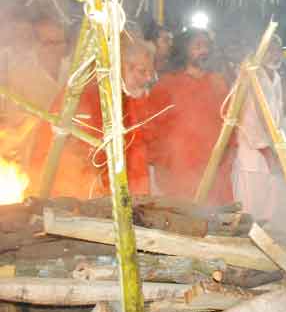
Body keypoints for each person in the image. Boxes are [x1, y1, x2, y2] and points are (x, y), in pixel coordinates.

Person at [28, 32, 155, 198]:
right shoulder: (82, 95)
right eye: (142, 71)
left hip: (123, 197)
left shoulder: (132, 98)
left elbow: (140, 149)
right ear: (120, 65)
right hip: (74, 197)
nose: (148, 78)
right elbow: (57, 152)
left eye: (151, 72)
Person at [147, 28, 232, 203]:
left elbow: (230, 124)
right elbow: (153, 128)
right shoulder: (167, 84)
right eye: (198, 46)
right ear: (184, 49)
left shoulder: (219, 82)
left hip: (214, 166)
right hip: (180, 167)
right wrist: (160, 165)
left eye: (207, 46)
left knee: (216, 218)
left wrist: (227, 156)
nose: (204, 51)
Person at [232, 36, 284, 222]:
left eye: (278, 50)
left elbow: (276, 118)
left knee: (266, 212)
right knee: (247, 212)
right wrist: (266, 150)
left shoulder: (277, 78)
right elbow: (247, 119)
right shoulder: (250, 77)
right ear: (259, 52)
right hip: (252, 155)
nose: (275, 54)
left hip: (272, 154)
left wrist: (276, 149)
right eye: (269, 50)